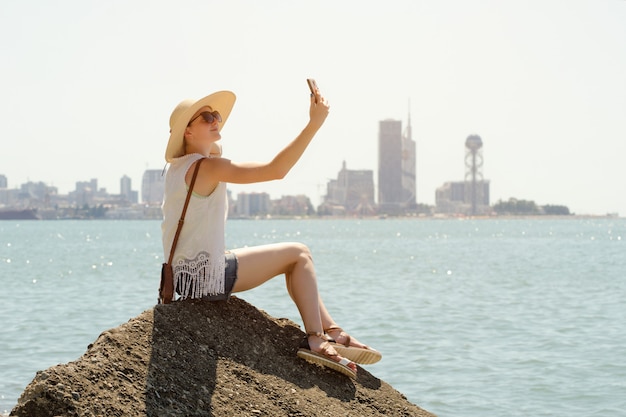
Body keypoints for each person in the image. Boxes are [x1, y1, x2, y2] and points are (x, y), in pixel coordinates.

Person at [161, 85, 381, 378]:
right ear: (187, 133)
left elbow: (213, 148)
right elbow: (276, 169)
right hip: (205, 280)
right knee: (299, 254)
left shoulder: (175, 168)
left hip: (182, 279)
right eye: (206, 118)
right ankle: (317, 338)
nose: (216, 120)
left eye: (216, 115)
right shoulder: (206, 168)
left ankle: (333, 331)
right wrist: (314, 122)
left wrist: (208, 135)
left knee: (287, 258)